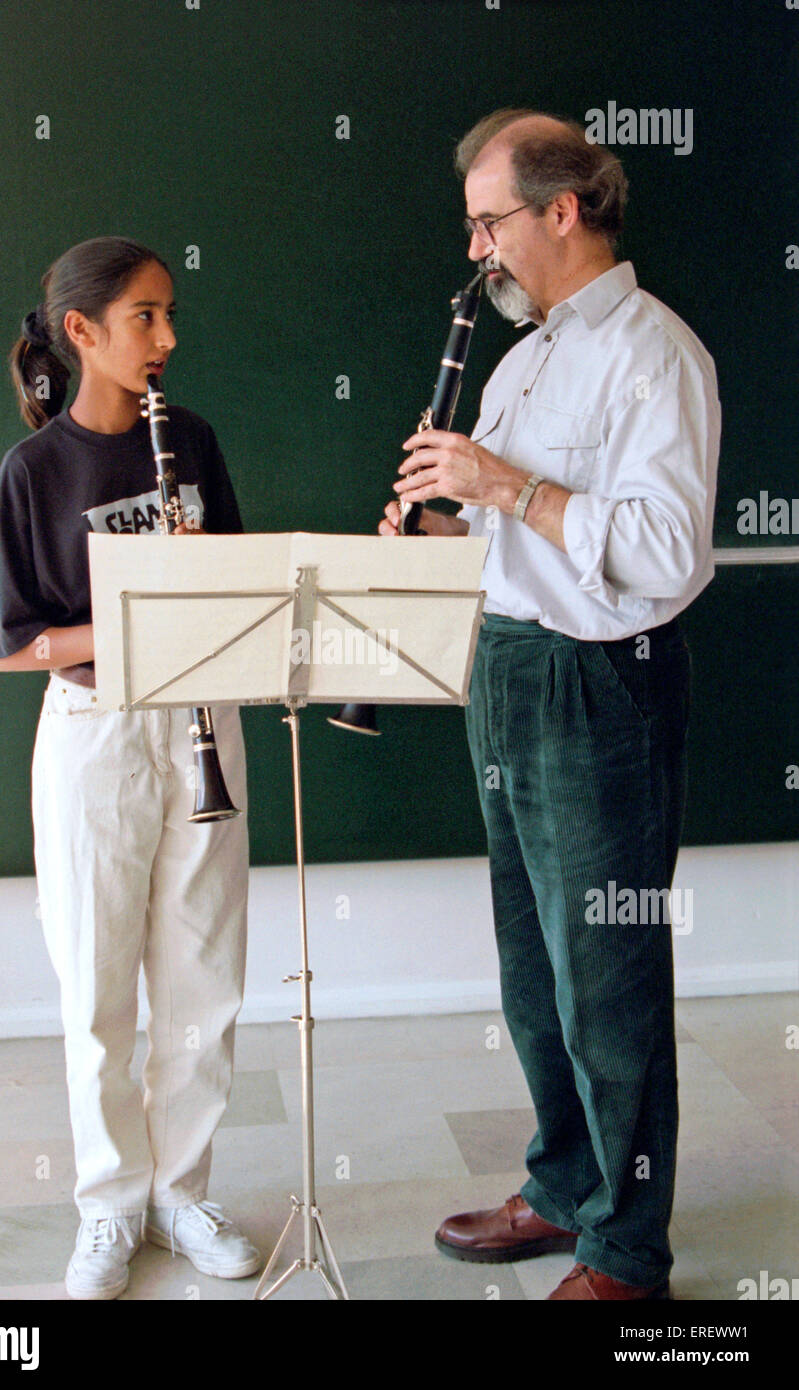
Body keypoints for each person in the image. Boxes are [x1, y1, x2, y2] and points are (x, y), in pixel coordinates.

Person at [379, 109, 720, 1300]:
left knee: (608, 975)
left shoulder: (652, 353)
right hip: (511, 666)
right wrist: (440, 521)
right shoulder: (521, 356)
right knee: (534, 971)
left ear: (560, 211)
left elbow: (665, 554)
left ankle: (625, 1250)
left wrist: (506, 485)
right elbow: (501, 530)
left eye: (489, 222)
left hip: (600, 686)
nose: (475, 249)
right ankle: (566, 1181)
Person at [0, 236, 260, 1299]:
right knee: (97, 987)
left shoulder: (189, 439)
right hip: (96, 733)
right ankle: (108, 1207)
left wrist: (209, 587)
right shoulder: (32, 471)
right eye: (147, 317)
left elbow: (240, 589)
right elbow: (13, 643)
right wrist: (131, 616)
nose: (169, 338)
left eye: (171, 313)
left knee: (202, 981)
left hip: (199, 720)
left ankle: (182, 1193)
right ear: (83, 333)